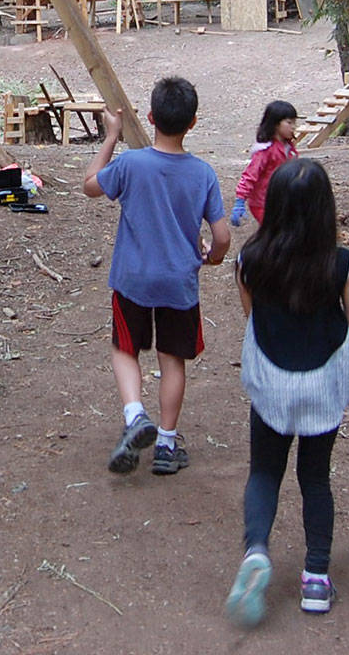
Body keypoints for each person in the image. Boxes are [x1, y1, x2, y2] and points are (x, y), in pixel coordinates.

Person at [224, 158, 349, 628]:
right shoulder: (341, 263)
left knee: (264, 471)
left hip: (271, 380)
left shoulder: (250, 260)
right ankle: (316, 579)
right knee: (316, 479)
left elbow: (253, 317)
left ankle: (256, 550)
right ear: (326, 210)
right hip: (322, 381)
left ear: (277, 206)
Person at [84, 77, 231, 476]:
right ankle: (166, 443)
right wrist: (213, 258)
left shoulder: (130, 165)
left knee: (124, 348)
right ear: (194, 122)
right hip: (178, 282)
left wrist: (111, 138)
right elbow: (221, 236)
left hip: (132, 279)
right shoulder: (202, 174)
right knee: (172, 360)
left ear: (150, 117)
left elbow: (90, 186)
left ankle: (135, 416)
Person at [231, 100, 299, 226]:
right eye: (289, 122)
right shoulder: (265, 151)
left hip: (282, 202)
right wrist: (240, 201)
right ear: (276, 123)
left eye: (294, 123)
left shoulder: (290, 149)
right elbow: (250, 175)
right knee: (275, 233)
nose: (294, 127)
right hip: (263, 203)